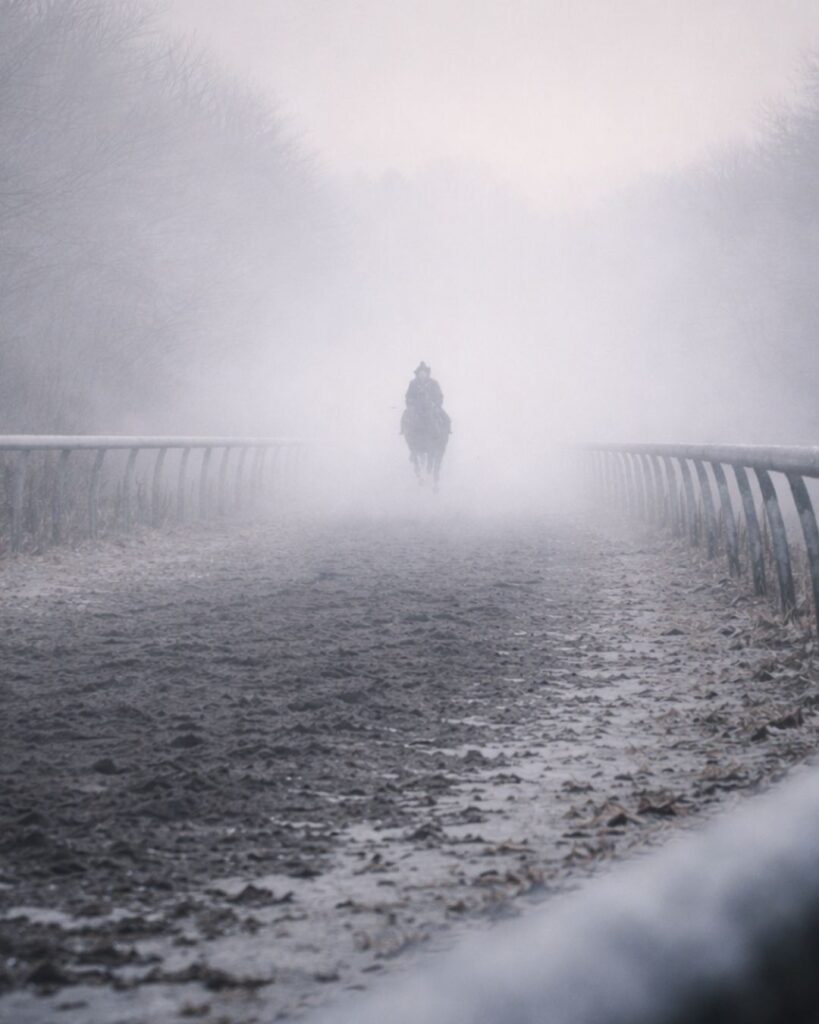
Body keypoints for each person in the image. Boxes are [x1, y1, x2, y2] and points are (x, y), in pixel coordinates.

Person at [401, 362, 451, 436]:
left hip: (431, 405)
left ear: (427, 373)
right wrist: (410, 403)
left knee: (445, 417)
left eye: (424, 373)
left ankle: (447, 430)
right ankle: (404, 430)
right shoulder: (413, 384)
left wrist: (436, 404)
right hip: (416, 406)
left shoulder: (434, 383)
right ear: (417, 374)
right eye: (420, 373)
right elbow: (408, 395)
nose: (422, 375)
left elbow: (439, 396)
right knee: (405, 416)